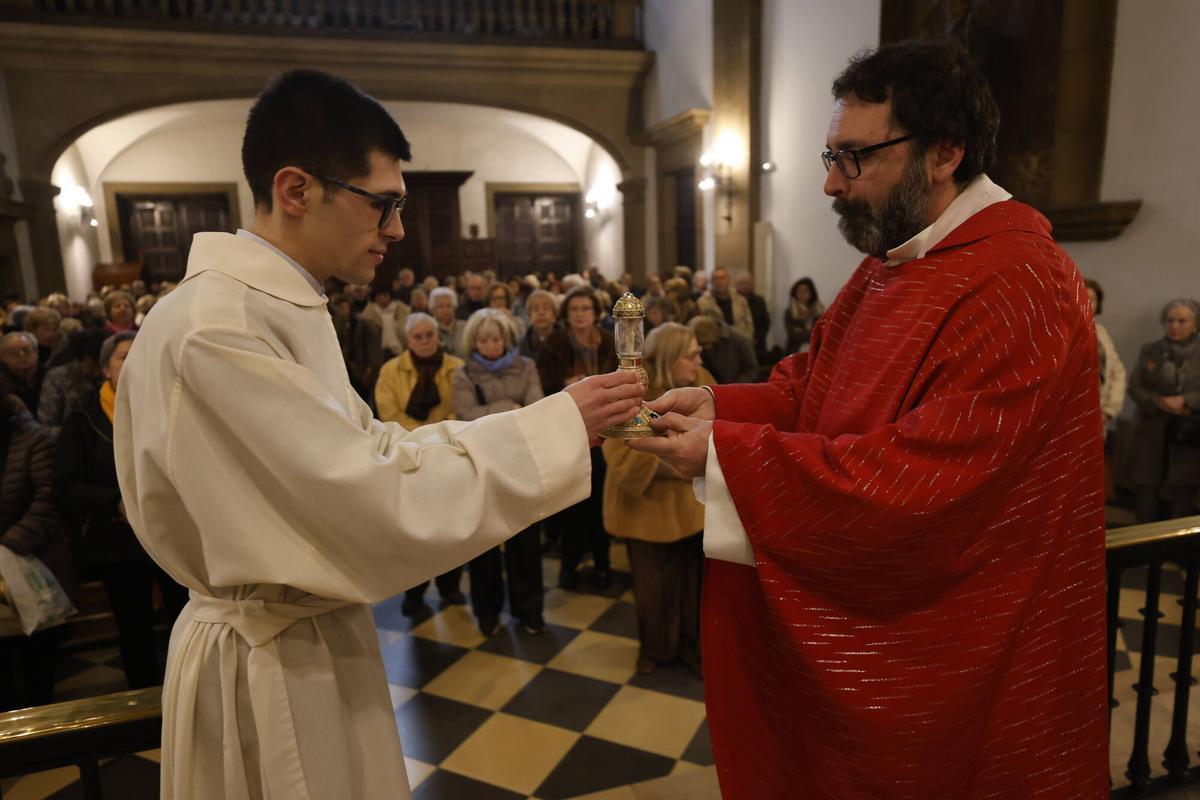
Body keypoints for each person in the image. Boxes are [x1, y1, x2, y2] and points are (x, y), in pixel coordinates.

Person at [113, 69, 642, 800]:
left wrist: (550, 421)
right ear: (297, 190)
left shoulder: (275, 308)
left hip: (308, 638)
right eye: (383, 203)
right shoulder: (219, 331)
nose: (397, 229)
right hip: (269, 664)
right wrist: (556, 427)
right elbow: (370, 500)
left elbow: (372, 451)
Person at [629, 41, 1107, 799]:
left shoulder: (1021, 284)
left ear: (945, 151)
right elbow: (808, 386)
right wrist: (719, 405)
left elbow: (925, 482)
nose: (829, 183)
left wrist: (724, 457)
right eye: (831, 154)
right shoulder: (895, 262)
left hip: (965, 647)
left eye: (854, 158)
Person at [56, 331, 187, 689]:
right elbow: (66, 486)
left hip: (170, 534)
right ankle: (142, 705)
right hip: (118, 541)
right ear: (105, 368)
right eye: (123, 356)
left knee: (185, 621)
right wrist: (115, 501)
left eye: (138, 355)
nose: (132, 363)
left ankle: (188, 698)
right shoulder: (84, 417)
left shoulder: (169, 405)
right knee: (134, 627)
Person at [603, 323, 713, 676]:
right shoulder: (631, 391)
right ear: (668, 357)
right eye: (691, 355)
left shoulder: (702, 383)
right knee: (653, 590)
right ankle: (656, 651)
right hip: (646, 511)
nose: (699, 360)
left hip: (692, 511)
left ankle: (692, 650)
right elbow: (620, 455)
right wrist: (675, 462)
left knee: (693, 589)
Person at [453, 310, 547, 635]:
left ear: (506, 339)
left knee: (525, 544)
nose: (490, 345)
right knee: (485, 547)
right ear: (474, 342)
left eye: (496, 339)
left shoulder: (527, 367)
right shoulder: (464, 374)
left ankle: (529, 610)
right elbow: (466, 415)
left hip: (521, 463)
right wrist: (510, 408)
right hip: (485, 465)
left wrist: (496, 413)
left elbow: (536, 408)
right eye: (484, 340)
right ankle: (487, 612)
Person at [374, 313, 466, 615]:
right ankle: (414, 593)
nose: (425, 341)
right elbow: (389, 415)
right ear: (408, 340)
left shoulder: (457, 368)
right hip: (409, 455)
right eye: (418, 337)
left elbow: (461, 410)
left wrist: (440, 436)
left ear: (438, 337)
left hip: (449, 454)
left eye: (430, 335)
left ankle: (450, 587)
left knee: (451, 529)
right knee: (414, 533)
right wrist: (428, 437)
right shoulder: (391, 371)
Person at [537, 287, 618, 590]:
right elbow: (543, 384)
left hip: (608, 429)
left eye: (585, 308)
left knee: (600, 501)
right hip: (569, 428)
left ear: (595, 312)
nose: (580, 314)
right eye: (574, 309)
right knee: (572, 502)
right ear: (567, 314)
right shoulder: (554, 343)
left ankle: (602, 563)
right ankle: (568, 567)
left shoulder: (609, 341)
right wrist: (564, 384)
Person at [0, 382, 71, 711]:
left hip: (32, 556)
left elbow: (47, 499)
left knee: (37, 659)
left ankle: (42, 734)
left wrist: (8, 546)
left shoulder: (33, 438)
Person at [1127, 298, 1200, 522]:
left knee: (1183, 492)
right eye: (1170, 321)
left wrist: (1186, 400)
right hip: (1151, 429)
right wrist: (1160, 401)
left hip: (1188, 433)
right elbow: (1135, 387)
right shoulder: (1150, 350)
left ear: (1195, 324)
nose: (1174, 326)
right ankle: (1142, 550)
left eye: (1182, 321)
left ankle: (1177, 549)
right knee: (1145, 489)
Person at [38, 328, 106, 434]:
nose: (97, 371)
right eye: (92, 366)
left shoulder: (107, 377)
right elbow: (46, 423)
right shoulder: (58, 377)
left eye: (101, 366)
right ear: (79, 360)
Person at [688, 315, 758, 385]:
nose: (705, 348)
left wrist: (734, 386)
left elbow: (751, 370)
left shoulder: (739, 340)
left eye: (705, 344)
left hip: (735, 388)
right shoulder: (699, 340)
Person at [697, 267, 754, 341]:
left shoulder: (740, 301)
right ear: (711, 282)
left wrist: (747, 340)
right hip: (715, 343)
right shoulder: (703, 302)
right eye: (716, 278)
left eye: (722, 278)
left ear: (728, 280)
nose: (719, 281)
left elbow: (749, 324)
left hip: (738, 342)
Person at [359, 284, 410, 359]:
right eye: (379, 296)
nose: (382, 298)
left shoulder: (402, 310)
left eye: (385, 295)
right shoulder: (368, 314)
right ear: (375, 297)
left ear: (390, 296)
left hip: (401, 351)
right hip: (376, 354)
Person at [0, 331, 41, 415]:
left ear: (36, 352)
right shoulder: (2, 384)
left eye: (27, 350)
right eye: (14, 352)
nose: (21, 355)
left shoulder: (49, 375)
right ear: (2, 356)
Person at [783, 277, 824, 354]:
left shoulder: (819, 310)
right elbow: (792, 335)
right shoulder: (790, 312)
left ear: (811, 292)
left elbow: (819, 334)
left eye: (805, 291)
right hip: (794, 351)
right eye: (799, 291)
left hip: (815, 351)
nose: (802, 294)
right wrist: (810, 332)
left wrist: (801, 332)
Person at [735, 270, 770, 358]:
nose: (745, 286)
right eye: (742, 283)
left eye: (748, 283)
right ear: (737, 284)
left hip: (757, 343)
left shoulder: (759, 301)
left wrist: (756, 339)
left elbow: (765, 322)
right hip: (737, 342)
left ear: (752, 285)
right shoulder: (733, 301)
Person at [519, 289, 558, 360]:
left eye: (546, 308)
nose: (541, 313)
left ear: (554, 315)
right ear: (529, 316)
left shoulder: (566, 341)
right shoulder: (522, 344)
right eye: (535, 309)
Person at [430, 286, 466, 357]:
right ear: (433, 310)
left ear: (454, 307)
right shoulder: (429, 329)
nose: (446, 309)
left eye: (449, 305)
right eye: (441, 306)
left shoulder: (465, 327)